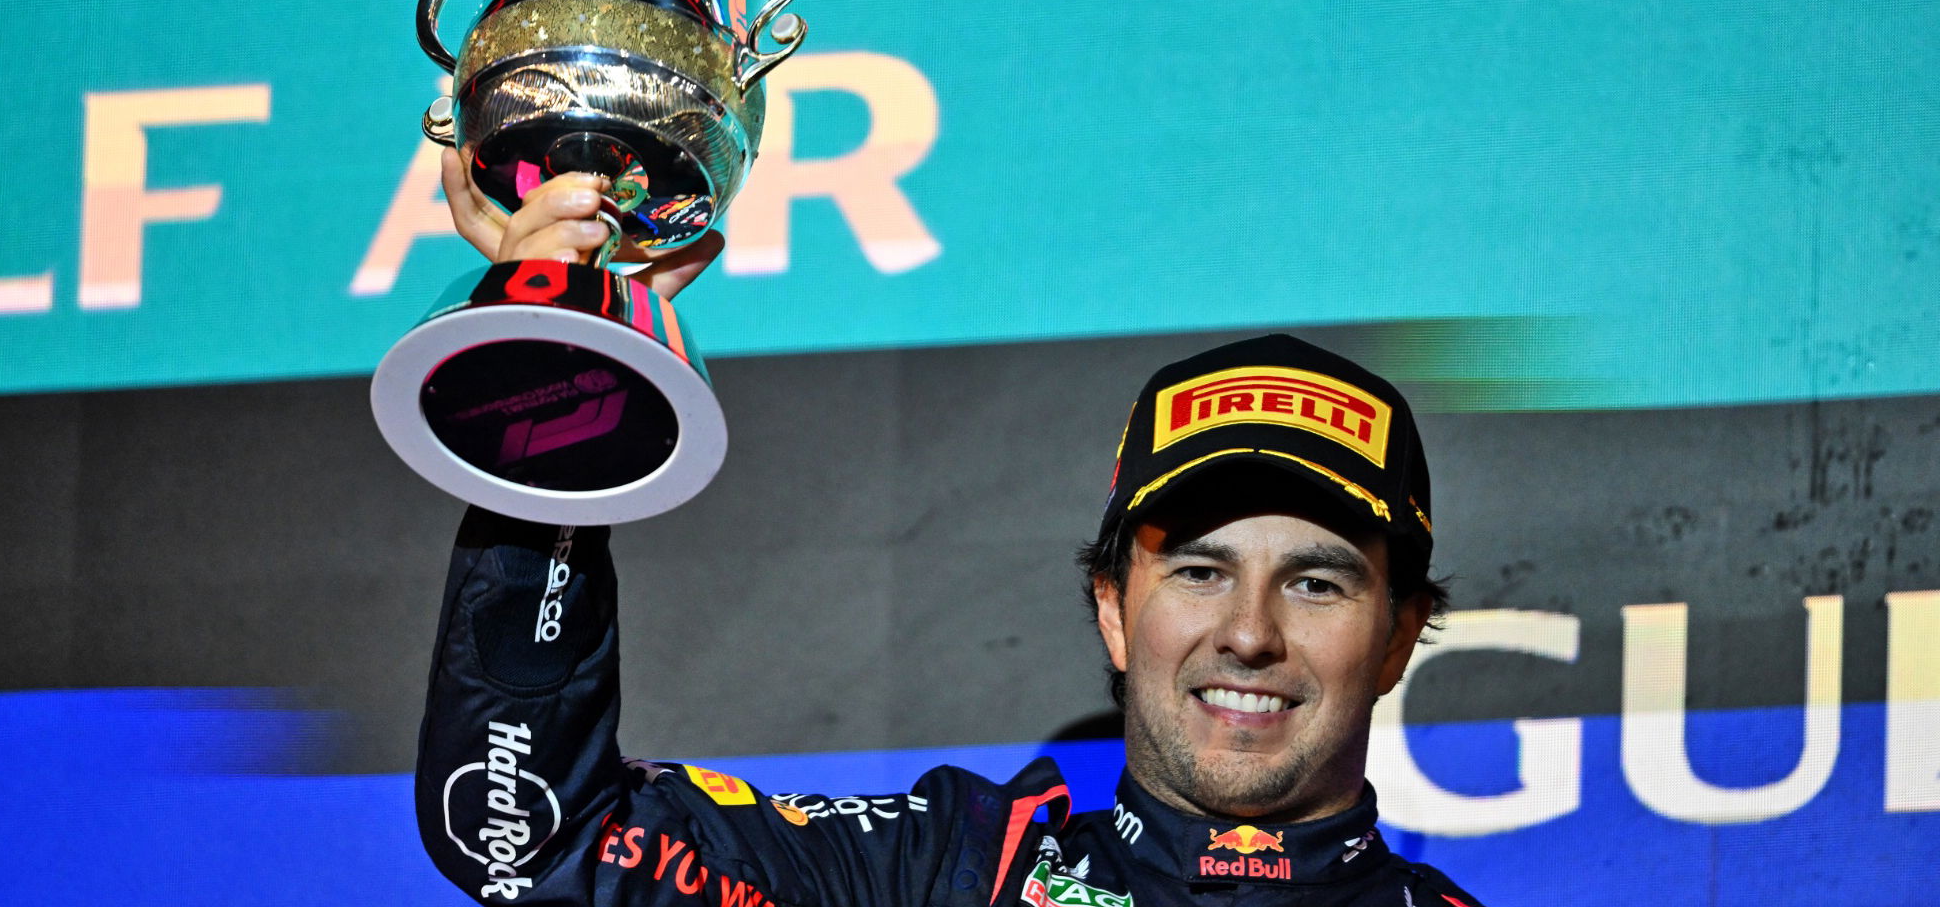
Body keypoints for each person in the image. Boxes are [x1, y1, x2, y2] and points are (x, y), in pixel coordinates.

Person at [416, 163, 1484, 905]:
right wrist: (562, 389)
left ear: (1400, 635)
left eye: (1315, 584)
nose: (1247, 634)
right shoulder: (938, 877)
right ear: (1113, 611)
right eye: (1199, 570)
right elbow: (534, 840)